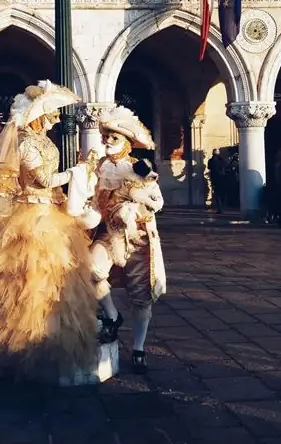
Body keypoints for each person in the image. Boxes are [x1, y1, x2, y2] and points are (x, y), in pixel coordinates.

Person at [0, 80, 98, 381]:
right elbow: (41, 179)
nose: (54, 119)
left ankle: (49, 346)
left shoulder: (42, 140)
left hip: (49, 213)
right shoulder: (26, 144)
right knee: (23, 283)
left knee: (56, 283)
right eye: (48, 114)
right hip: (31, 215)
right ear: (35, 117)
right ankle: (16, 349)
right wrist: (75, 173)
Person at [90, 105, 167, 374]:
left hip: (137, 237)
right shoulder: (98, 167)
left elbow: (158, 202)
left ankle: (138, 347)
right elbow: (92, 196)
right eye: (106, 137)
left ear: (126, 142)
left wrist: (138, 201)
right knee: (92, 270)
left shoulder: (139, 167)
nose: (108, 142)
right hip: (106, 232)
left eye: (115, 138)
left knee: (141, 296)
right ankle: (112, 315)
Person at [207, 149, 227, 214]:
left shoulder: (210, 160)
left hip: (215, 179)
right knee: (223, 194)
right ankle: (223, 209)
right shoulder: (221, 160)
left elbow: (209, 167)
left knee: (217, 194)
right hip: (222, 179)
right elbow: (225, 165)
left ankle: (220, 209)